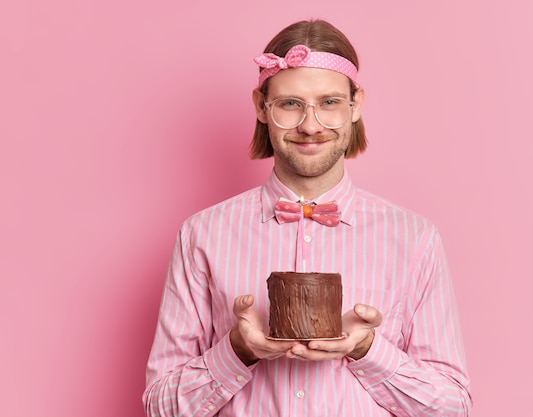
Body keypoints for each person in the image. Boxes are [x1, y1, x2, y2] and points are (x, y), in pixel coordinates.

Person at [143, 19, 472, 417]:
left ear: (356, 105)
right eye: (290, 104)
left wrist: (367, 349)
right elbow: (160, 406)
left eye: (329, 103)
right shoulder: (202, 235)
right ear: (262, 108)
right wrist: (238, 350)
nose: (310, 125)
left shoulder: (415, 238)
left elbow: (453, 408)